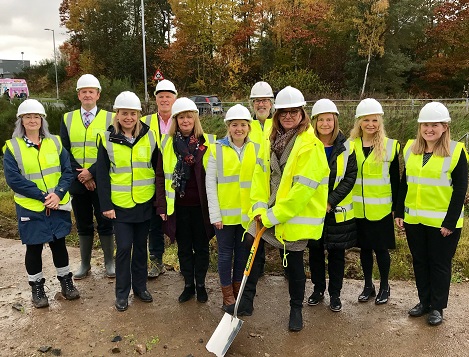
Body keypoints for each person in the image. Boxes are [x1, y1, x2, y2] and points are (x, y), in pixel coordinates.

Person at [226, 86, 330, 332]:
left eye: (293, 112)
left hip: (294, 215)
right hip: (268, 209)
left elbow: (301, 192)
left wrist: (273, 216)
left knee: (293, 263)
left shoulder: (310, 146)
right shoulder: (270, 139)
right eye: (283, 112)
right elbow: (261, 175)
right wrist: (260, 209)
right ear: (277, 114)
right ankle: (245, 302)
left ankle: (296, 309)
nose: (288, 116)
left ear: (302, 113)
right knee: (249, 246)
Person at [395, 102, 468, 326]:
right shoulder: (411, 149)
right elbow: (405, 183)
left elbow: (460, 189)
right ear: (420, 127)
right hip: (415, 220)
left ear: (444, 127)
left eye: (434, 125)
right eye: (425, 125)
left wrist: (449, 222)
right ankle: (424, 302)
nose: (429, 129)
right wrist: (399, 211)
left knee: (439, 264)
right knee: (420, 262)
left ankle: (437, 307)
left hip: (443, 223)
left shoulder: (456, 151)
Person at [3, 99, 80, 308]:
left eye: (36, 116)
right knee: (34, 248)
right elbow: (14, 179)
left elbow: (67, 170)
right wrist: (42, 196)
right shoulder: (12, 147)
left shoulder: (54, 142)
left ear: (42, 119)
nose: (32, 120)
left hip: (57, 204)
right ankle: (37, 287)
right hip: (31, 207)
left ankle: (66, 282)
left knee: (59, 245)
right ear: (21, 120)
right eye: (28, 117)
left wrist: (58, 193)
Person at [96, 91, 158, 312]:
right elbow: (102, 176)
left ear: (139, 114)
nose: (129, 117)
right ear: (117, 114)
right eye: (124, 113)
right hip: (120, 205)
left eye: (133, 113)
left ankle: (140, 288)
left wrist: (157, 202)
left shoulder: (151, 136)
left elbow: (157, 170)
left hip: (144, 202)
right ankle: (122, 293)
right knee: (123, 248)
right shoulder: (106, 138)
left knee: (141, 248)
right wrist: (106, 206)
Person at [155, 97, 215, 303]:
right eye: (181, 117)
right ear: (176, 120)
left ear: (195, 119)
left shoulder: (209, 142)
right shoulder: (166, 143)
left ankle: (201, 284)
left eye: (189, 116)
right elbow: (160, 176)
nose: (186, 120)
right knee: (183, 248)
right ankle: (188, 285)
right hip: (178, 207)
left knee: (201, 247)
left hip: (201, 207)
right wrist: (161, 204)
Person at [60, 74, 115, 280]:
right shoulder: (67, 118)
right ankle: (85, 264)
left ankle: (109, 262)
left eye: (91, 91)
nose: (87, 95)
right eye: (84, 92)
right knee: (83, 223)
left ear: (98, 95)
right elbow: (64, 150)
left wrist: (91, 172)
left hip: (101, 179)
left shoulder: (110, 118)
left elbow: (110, 150)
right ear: (78, 95)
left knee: (105, 221)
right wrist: (81, 174)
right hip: (77, 181)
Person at [206, 104, 258, 311]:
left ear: (249, 127)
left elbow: (260, 182)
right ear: (228, 126)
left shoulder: (256, 148)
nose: (239, 129)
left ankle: (238, 293)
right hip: (225, 217)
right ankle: (227, 296)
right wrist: (215, 214)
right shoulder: (216, 149)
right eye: (235, 124)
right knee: (226, 255)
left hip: (247, 216)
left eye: (243, 125)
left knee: (242, 255)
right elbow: (211, 184)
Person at [307, 99, 357, 312]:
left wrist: (330, 201)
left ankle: (335, 295)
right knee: (315, 253)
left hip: (335, 211)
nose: (325, 124)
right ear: (315, 122)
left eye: (329, 119)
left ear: (335, 121)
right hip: (312, 209)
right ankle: (318, 290)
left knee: (337, 255)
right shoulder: (307, 144)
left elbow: (350, 176)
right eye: (321, 120)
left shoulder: (347, 146)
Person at [350, 98, 400, 305]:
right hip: (358, 210)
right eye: (366, 120)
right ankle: (368, 285)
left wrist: (398, 211)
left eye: (375, 120)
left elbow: (396, 181)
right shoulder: (349, 146)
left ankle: (385, 286)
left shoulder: (390, 146)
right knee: (364, 250)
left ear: (380, 122)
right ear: (359, 122)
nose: (371, 124)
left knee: (381, 250)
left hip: (380, 210)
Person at [142, 79, 177, 279]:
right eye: (161, 96)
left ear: (175, 98)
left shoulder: (181, 118)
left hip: (176, 179)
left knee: (181, 221)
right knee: (154, 221)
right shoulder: (145, 122)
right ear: (155, 99)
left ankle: (185, 260)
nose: (164, 100)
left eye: (168, 96)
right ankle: (156, 260)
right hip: (153, 178)